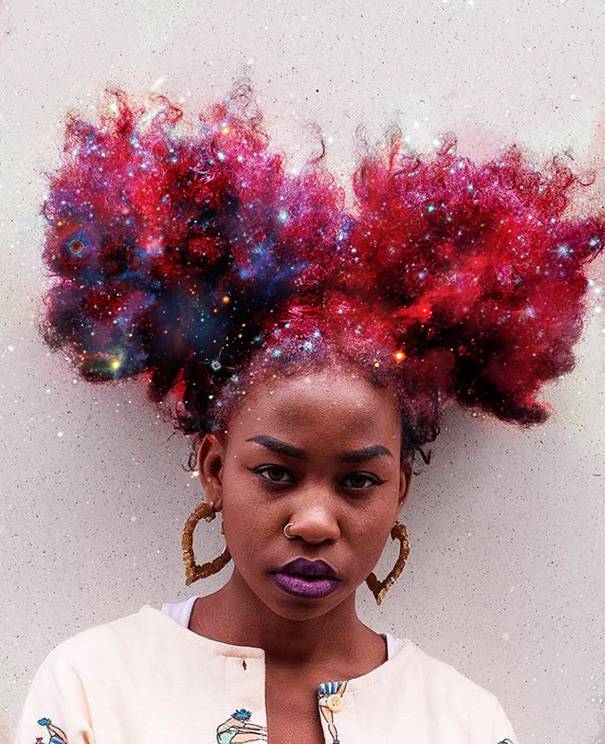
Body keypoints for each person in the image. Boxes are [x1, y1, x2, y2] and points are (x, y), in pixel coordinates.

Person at [11, 78, 605, 743]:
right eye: (275, 473)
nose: (315, 523)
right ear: (214, 469)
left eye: (358, 481)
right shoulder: (92, 689)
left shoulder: (462, 722)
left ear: (399, 491)